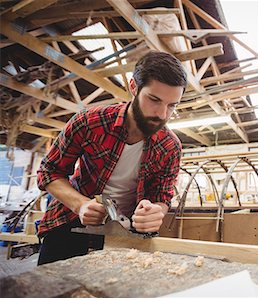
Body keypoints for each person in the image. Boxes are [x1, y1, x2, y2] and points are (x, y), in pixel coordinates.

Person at [36, 51, 186, 265]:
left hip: (126, 234)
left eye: (172, 106)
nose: (162, 114)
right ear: (133, 87)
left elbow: (161, 195)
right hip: (71, 222)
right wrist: (80, 205)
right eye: (154, 100)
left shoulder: (170, 146)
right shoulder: (90, 122)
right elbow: (49, 172)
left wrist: (155, 213)